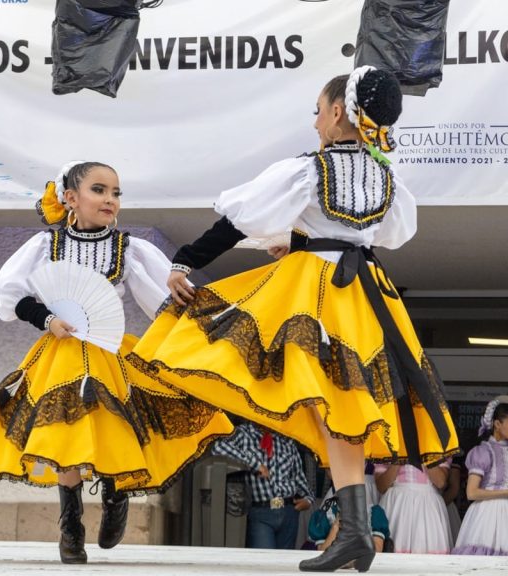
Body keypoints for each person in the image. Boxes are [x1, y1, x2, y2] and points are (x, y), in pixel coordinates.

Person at [128, 66, 458, 572]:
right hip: (365, 292)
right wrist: (302, 239)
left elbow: (239, 220)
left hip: (318, 291)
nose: (314, 122)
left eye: (317, 111)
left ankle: (353, 533)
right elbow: (389, 234)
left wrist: (185, 259)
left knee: (227, 343)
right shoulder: (385, 176)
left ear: (335, 113)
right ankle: (355, 534)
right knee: (342, 412)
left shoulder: (312, 169)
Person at [0, 162, 233, 564]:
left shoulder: (130, 249)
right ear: (71, 199)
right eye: (99, 190)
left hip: (109, 350)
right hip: (61, 352)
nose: (110, 199)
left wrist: (206, 328)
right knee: (63, 430)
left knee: (114, 425)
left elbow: (165, 301)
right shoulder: (45, 246)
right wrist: (46, 319)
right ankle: (71, 524)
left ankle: (116, 493)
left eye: (116, 192)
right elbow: (10, 295)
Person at [211, 421, 314, 549]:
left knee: (284, 564)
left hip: (289, 511)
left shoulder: (287, 439)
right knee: (264, 560)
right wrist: (255, 464)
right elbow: (218, 447)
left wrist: (308, 500)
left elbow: (298, 477)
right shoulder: (243, 433)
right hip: (260, 512)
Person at [452, 395, 508, 556]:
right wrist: (505, 493)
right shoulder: (483, 452)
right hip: (487, 516)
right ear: (497, 424)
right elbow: (472, 493)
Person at [374, 461, 452, 554]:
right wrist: (399, 457)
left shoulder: (436, 446)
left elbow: (441, 482)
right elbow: (381, 486)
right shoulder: (388, 446)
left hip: (428, 508)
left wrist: (421, 452)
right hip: (396, 507)